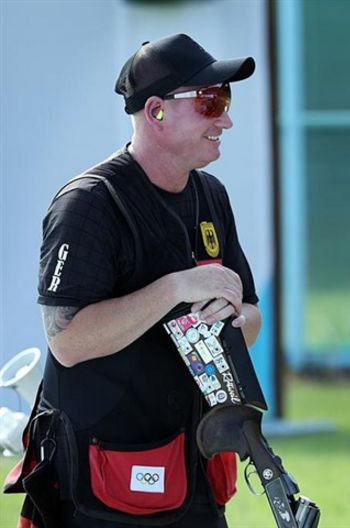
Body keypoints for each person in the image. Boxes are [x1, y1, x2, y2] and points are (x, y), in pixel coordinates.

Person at [5, 34, 261, 527]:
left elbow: (250, 318)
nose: (225, 119)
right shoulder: (89, 204)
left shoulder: (211, 196)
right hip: (99, 481)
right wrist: (174, 289)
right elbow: (68, 342)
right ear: (156, 111)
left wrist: (231, 317)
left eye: (225, 101)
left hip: (194, 466)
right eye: (210, 101)